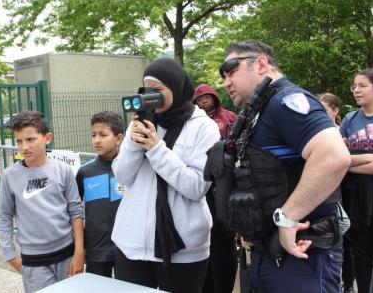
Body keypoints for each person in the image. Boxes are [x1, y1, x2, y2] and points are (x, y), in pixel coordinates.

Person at [212, 40, 351, 292]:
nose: (226, 82)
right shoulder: (260, 110)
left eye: (232, 71)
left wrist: (287, 218)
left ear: (261, 64)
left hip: (302, 258)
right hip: (270, 255)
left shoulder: (286, 101)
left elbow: (333, 155)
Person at [111, 58, 220, 293]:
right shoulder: (142, 122)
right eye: (147, 90)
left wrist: (155, 148)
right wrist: (132, 143)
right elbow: (122, 176)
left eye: (158, 90)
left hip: (184, 249)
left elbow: (196, 187)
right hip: (132, 244)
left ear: (176, 86)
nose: (152, 96)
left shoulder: (203, 126)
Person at [0, 111, 85, 293]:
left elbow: (76, 210)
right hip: (33, 260)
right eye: (19, 141)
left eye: (30, 139)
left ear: (47, 138)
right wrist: (10, 255)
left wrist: (79, 252)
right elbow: (4, 216)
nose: (24, 147)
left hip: (67, 254)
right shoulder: (10, 176)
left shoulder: (63, 171)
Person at [340, 68, 373, 293]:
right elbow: (338, 158)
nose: (356, 90)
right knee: (361, 254)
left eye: (362, 86)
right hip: (354, 196)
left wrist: (352, 163)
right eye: (354, 86)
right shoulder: (349, 119)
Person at [193, 84, 238, 293]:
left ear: (214, 98)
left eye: (207, 97)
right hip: (199, 180)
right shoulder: (191, 122)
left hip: (225, 181)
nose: (204, 102)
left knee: (224, 237)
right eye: (200, 99)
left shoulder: (230, 117)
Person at [75, 111, 124, 278]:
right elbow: (74, 210)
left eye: (103, 135)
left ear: (119, 138)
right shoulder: (85, 172)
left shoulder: (130, 168)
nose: (96, 140)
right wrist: (79, 248)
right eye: (93, 134)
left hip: (126, 248)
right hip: (96, 250)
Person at [319, 92, 355, 292]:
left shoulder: (340, 132)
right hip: (328, 192)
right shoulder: (314, 132)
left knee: (345, 241)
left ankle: (348, 284)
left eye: (324, 109)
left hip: (345, 191)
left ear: (335, 110)